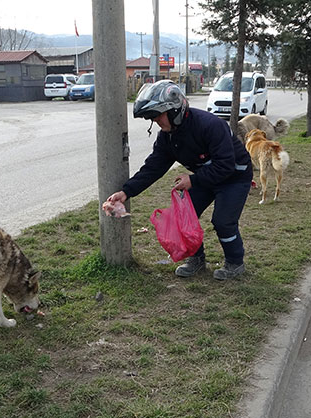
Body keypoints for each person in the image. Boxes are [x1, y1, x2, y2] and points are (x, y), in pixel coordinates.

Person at [106, 80, 253, 280]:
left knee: (223, 221)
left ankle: (235, 263)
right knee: (182, 215)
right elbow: (153, 168)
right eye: (154, 120)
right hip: (206, 176)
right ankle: (196, 259)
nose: (157, 122)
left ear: (175, 110)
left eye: (159, 117)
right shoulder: (168, 137)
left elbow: (225, 165)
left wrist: (193, 180)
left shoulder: (210, 125)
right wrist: (126, 191)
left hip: (235, 175)